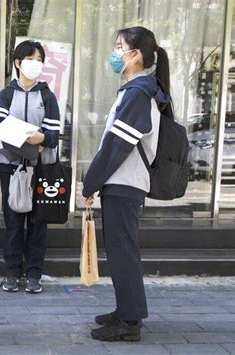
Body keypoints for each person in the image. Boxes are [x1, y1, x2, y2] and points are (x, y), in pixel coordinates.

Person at [81, 26, 171, 342]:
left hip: (125, 182)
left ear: (136, 55)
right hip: (122, 183)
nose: (115, 52)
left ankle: (130, 322)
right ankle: (125, 311)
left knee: (123, 253)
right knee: (120, 251)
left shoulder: (138, 93)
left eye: (120, 46)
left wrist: (90, 181)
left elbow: (117, 146)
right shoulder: (135, 90)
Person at [0, 40, 60, 293]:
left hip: (42, 169)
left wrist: (40, 141)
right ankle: (11, 273)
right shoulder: (6, 94)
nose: (35, 63)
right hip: (12, 169)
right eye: (30, 58)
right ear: (17, 63)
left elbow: (54, 135)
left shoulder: (47, 96)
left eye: (39, 59)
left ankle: (34, 274)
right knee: (13, 221)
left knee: (38, 223)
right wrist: (26, 145)